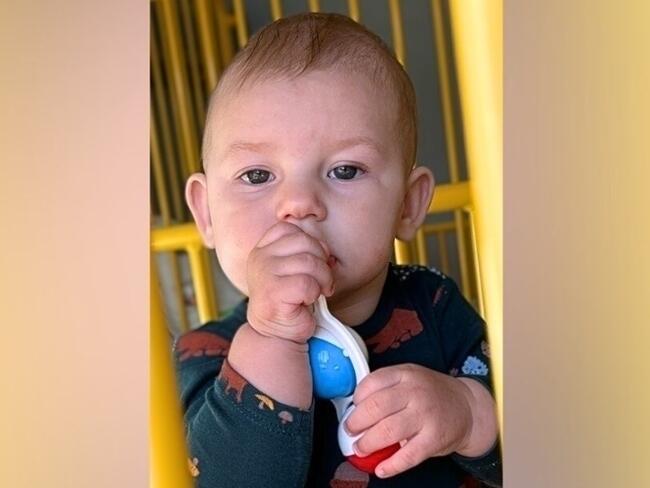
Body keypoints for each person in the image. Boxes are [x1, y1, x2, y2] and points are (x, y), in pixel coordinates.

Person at [176, 12, 501, 487]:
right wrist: (272, 338)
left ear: (408, 205)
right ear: (206, 213)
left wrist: (470, 414)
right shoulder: (202, 353)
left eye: (345, 170)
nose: (298, 204)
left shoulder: (435, 305)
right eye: (257, 175)